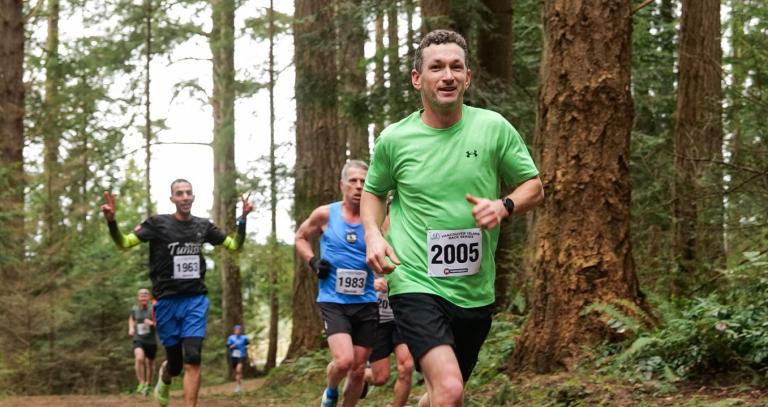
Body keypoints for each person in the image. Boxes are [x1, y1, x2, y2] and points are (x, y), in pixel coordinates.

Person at [361, 29, 544, 407]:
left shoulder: (493, 128)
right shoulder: (395, 139)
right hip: (414, 281)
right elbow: (374, 192)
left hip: (474, 291)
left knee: (442, 395)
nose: (448, 75)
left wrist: (504, 206)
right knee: (450, 390)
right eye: (437, 67)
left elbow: (533, 185)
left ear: (467, 77)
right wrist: (374, 235)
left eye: (456, 67)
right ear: (417, 78)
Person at [101, 179, 252, 407]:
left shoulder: (203, 226)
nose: (185, 197)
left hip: (195, 300)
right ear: (172, 198)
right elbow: (124, 243)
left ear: (193, 197)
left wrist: (242, 220)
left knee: (193, 358)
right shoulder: (157, 224)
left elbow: (234, 245)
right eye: (179, 193)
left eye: (188, 193)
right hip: (166, 303)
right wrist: (112, 222)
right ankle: (166, 375)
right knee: (176, 364)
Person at [295, 160, 379, 407]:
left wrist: (383, 275)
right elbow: (300, 237)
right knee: (344, 362)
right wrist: (313, 262)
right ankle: (331, 391)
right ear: (342, 185)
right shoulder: (325, 214)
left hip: (367, 301)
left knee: (358, 370)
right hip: (334, 301)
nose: (359, 186)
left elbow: (393, 246)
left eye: (364, 181)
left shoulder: (376, 218)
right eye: (353, 181)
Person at [361, 276, 413, 407]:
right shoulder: (365, 261)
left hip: (400, 318)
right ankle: (358, 372)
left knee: (407, 367)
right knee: (380, 378)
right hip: (376, 321)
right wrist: (371, 284)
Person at [129, 288, 157, 396]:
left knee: (150, 363)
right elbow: (131, 318)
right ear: (138, 298)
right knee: (139, 358)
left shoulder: (153, 309)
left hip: (151, 340)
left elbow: (161, 323)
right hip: (139, 338)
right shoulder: (135, 308)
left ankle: (148, 384)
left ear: (149, 297)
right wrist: (131, 328)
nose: (143, 297)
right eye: (141, 296)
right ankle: (141, 383)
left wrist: (152, 323)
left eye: (145, 295)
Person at [226, 324, 249, 394]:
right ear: (234, 331)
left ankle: (238, 387)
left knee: (238, 370)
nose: (237, 331)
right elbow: (228, 346)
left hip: (241, 356)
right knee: (236, 372)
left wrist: (246, 348)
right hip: (234, 356)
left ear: (241, 331)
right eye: (236, 330)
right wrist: (232, 346)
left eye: (239, 330)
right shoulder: (231, 338)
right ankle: (238, 384)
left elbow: (247, 344)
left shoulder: (244, 338)